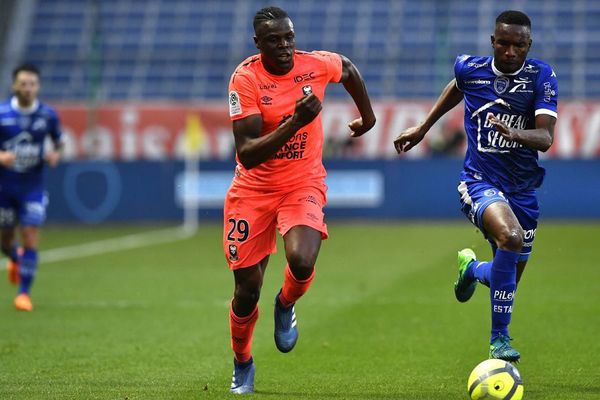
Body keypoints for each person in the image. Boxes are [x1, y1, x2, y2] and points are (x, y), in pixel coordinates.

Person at [224, 6, 375, 394]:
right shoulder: (246, 79)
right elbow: (248, 152)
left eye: (289, 37)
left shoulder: (315, 64)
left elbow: (349, 69)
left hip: (302, 183)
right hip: (253, 191)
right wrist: (295, 121)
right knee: (246, 292)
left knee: (302, 259)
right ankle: (242, 362)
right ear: (258, 44)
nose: (285, 46)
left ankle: (286, 303)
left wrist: (368, 118)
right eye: (274, 40)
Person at [394, 10, 557, 363]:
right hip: (479, 181)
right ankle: (499, 340)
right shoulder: (471, 68)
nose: (510, 51)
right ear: (493, 42)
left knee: (508, 277)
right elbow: (457, 86)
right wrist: (423, 127)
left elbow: (545, 137)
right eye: (504, 43)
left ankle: (471, 269)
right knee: (510, 238)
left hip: (523, 189)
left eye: (518, 45)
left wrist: (515, 133)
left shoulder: (541, 76)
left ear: (528, 45)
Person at [0, 64, 63, 311]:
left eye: (32, 84)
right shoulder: (2, 114)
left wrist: (55, 155)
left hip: (32, 187)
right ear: (14, 85)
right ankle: (15, 258)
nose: (28, 88)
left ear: (38, 86)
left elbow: (60, 142)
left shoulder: (48, 115)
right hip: (4, 187)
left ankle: (24, 294)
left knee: (30, 234)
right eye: (23, 83)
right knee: (6, 240)